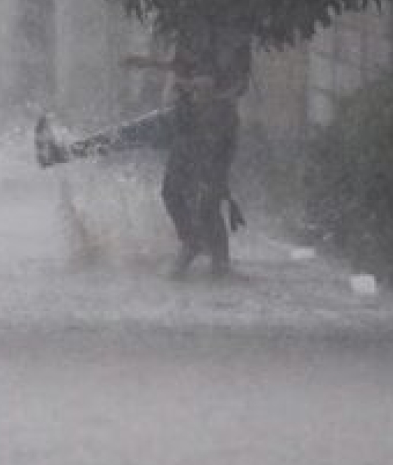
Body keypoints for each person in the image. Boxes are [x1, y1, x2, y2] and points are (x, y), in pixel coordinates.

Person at [37, 20, 251, 279]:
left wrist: (211, 94)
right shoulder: (196, 29)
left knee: (204, 200)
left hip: (210, 127)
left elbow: (237, 84)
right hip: (184, 118)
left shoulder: (229, 34)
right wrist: (151, 64)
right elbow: (187, 68)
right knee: (129, 140)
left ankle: (212, 260)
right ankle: (61, 153)